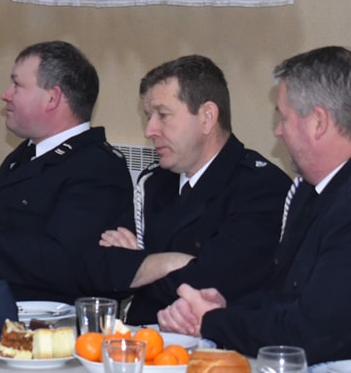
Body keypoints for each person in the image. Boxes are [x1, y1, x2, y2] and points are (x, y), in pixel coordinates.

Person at [158, 46, 351, 367]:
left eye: (283, 117)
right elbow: (287, 299)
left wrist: (213, 321)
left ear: (318, 122)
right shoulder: (319, 191)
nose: (278, 131)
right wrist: (226, 308)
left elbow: (307, 337)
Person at [79, 56, 290, 324]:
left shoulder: (261, 188)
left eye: (163, 115)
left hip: (211, 345)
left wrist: (136, 263)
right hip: (141, 339)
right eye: (148, 116)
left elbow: (210, 282)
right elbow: (95, 268)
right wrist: (172, 262)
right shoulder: (154, 182)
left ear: (207, 117)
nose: (150, 130)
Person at [0, 41, 133, 302]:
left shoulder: (96, 167)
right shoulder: (26, 154)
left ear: (52, 97)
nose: (6, 95)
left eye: (17, 85)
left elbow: (64, 261)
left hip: (49, 321)